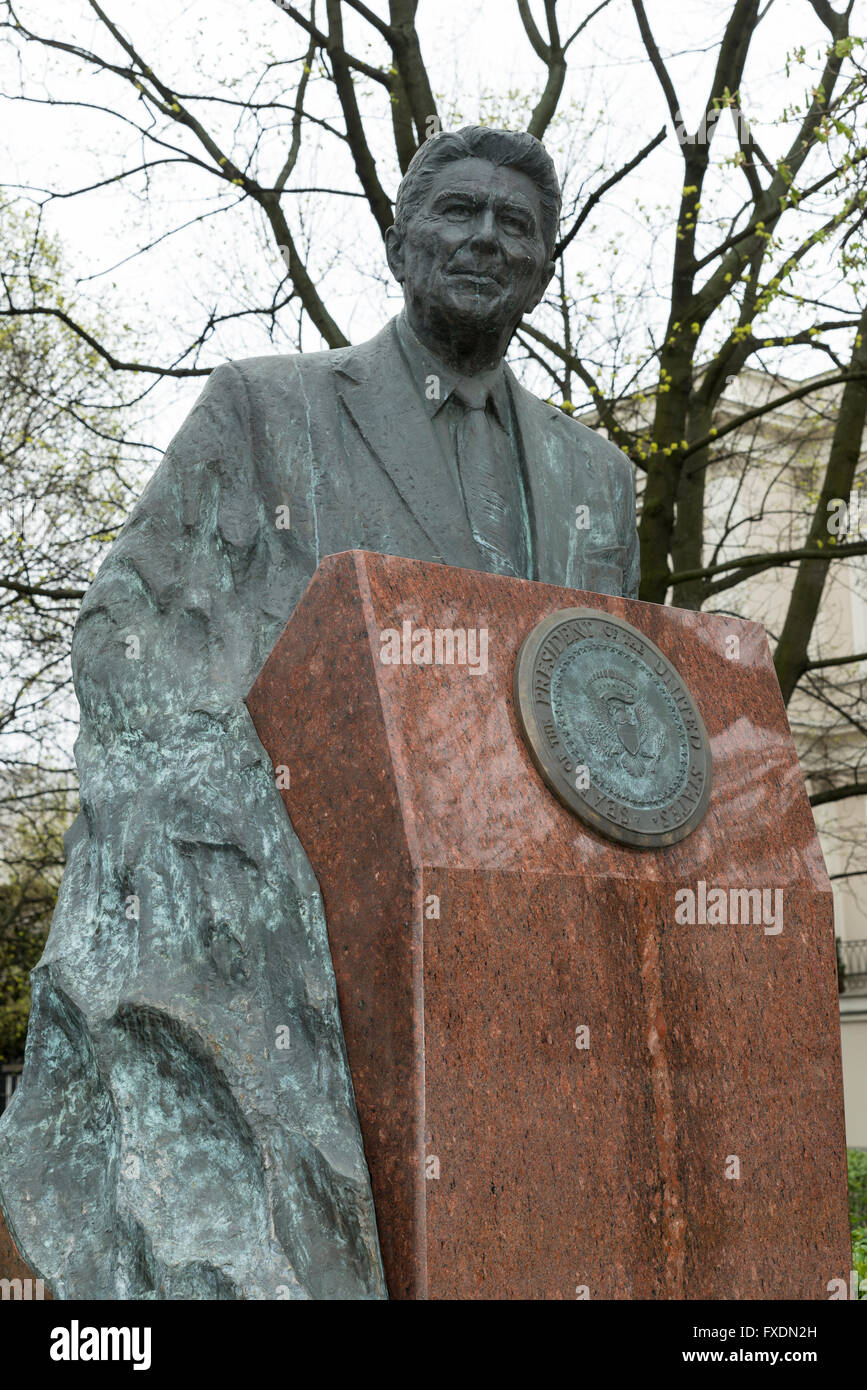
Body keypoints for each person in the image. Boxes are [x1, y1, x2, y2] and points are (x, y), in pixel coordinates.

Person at [0, 126, 639, 1299]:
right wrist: (219, 795)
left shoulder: (597, 477)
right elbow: (126, 622)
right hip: (314, 904)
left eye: (517, 225)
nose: (486, 239)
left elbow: (605, 705)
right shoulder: (263, 409)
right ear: (400, 242)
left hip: (519, 956)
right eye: (458, 213)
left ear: (546, 267)